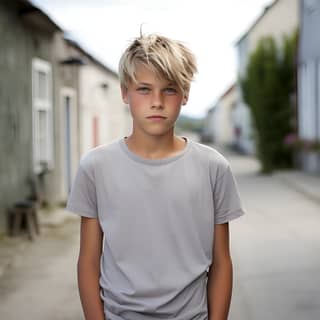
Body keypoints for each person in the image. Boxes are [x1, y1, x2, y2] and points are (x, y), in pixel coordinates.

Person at [66, 32, 246, 320]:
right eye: (144, 89)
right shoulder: (96, 166)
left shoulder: (213, 167)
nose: (157, 101)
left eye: (170, 90)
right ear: (125, 92)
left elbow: (221, 262)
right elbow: (88, 260)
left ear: (185, 94)